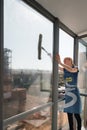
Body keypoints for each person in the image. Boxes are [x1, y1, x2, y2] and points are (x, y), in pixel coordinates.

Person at [55, 54, 82, 130]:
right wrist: (52, 58)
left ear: (71, 62)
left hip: (75, 94)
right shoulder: (65, 69)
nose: (65, 63)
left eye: (66, 61)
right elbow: (57, 67)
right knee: (69, 114)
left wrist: (60, 62)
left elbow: (71, 70)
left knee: (77, 115)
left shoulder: (75, 68)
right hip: (68, 94)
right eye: (64, 61)